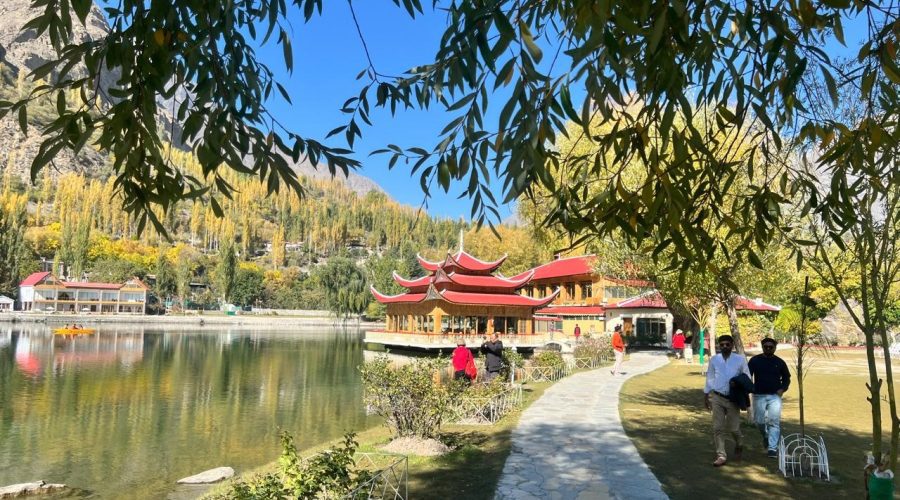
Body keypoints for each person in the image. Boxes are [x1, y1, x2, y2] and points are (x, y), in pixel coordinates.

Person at [704, 334, 751, 467]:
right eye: (722, 344)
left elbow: (747, 376)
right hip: (717, 397)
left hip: (733, 398)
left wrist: (737, 382)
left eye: (727, 344)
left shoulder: (740, 359)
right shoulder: (714, 360)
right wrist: (706, 395)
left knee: (734, 429)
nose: (724, 347)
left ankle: (739, 443)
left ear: (732, 345)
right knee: (717, 428)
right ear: (719, 345)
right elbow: (710, 377)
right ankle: (721, 455)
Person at [749, 337, 791, 459]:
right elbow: (747, 375)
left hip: (774, 396)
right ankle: (766, 436)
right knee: (759, 422)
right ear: (762, 347)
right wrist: (751, 387)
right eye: (765, 347)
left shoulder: (780, 362)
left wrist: (782, 389)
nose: (768, 349)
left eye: (770, 347)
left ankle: (772, 449)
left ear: (774, 348)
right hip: (759, 395)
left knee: (774, 422)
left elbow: (787, 378)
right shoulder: (755, 360)